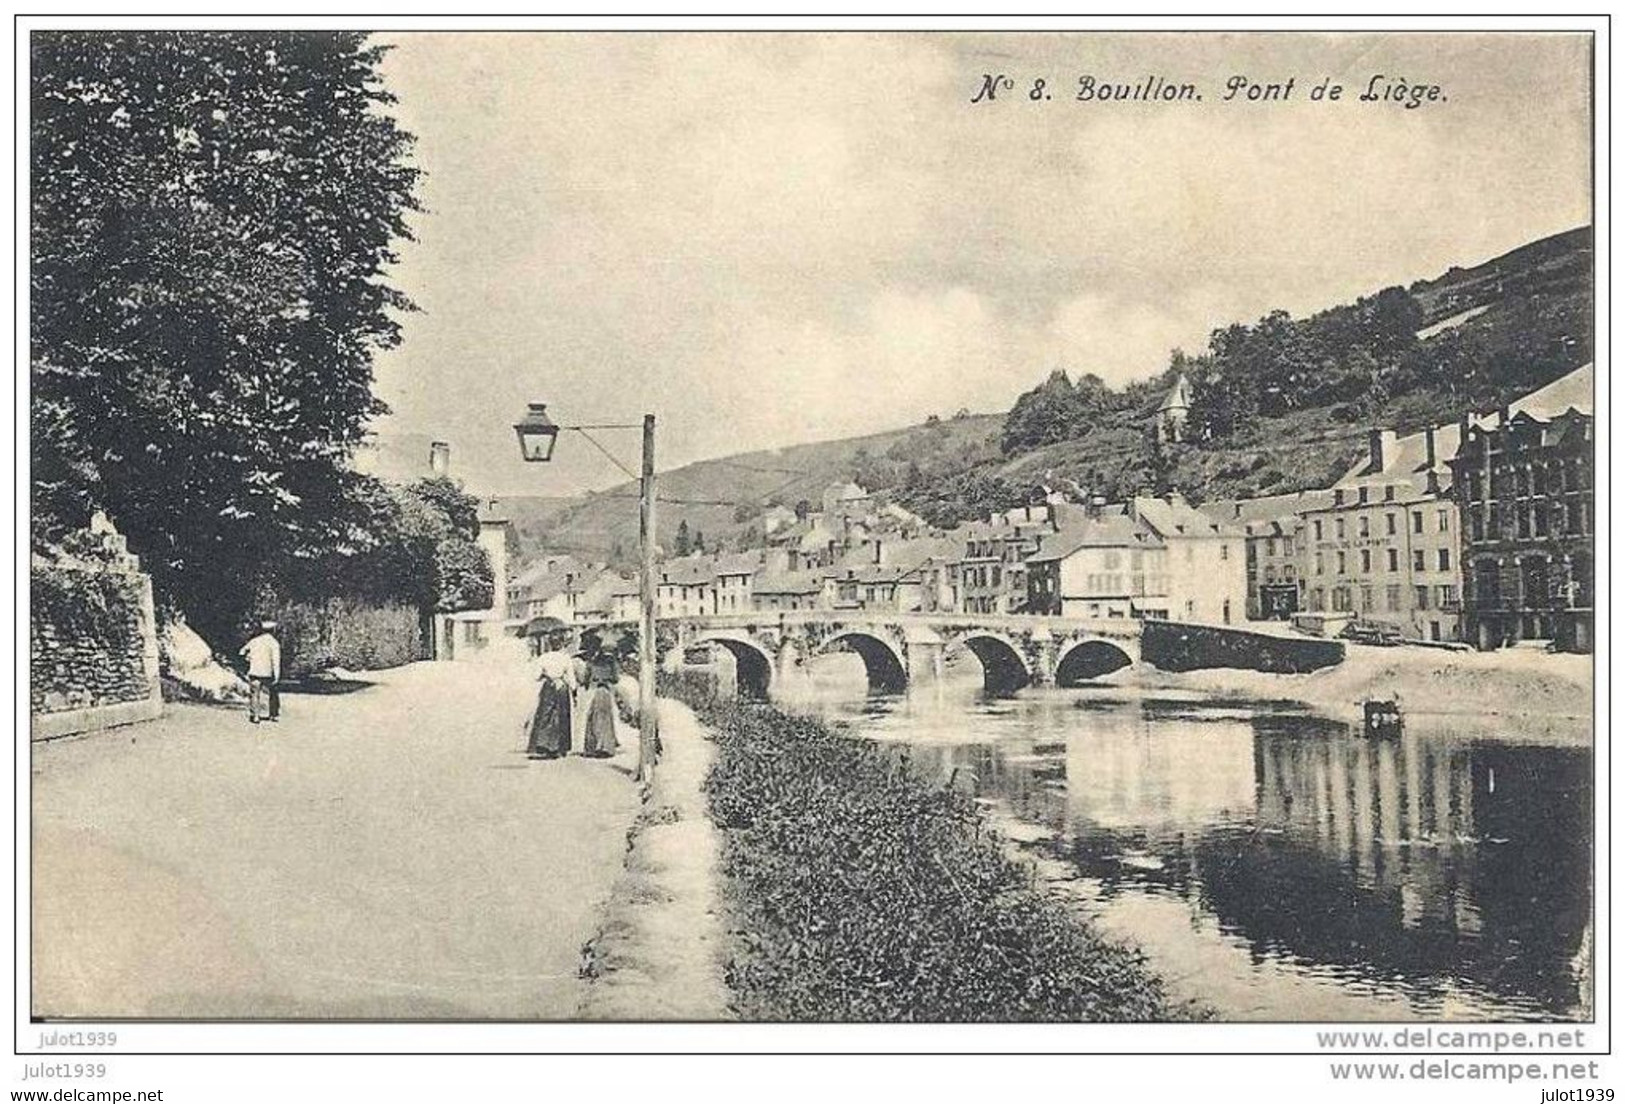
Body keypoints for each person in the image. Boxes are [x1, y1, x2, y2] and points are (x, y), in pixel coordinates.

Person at [525, 637, 575, 759]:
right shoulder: (565, 658)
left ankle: (543, 744)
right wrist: (573, 689)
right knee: (562, 715)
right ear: (561, 645)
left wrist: (545, 674)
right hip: (561, 687)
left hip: (549, 687)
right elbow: (571, 678)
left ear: (550, 645)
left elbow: (536, 676)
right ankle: (560, 747)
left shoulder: (543, 658)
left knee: (545, 715)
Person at [577, 633, 620, 759]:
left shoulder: (591, 662)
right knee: (605, 718)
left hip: (594, 691)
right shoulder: (610, 661)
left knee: (593, 718)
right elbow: (616, 678)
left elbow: (585, 679)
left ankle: (594, 747)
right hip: (605, 690)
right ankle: (605, 746)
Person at [239, 620, 282, 724]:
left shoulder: (254, 641)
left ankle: (255, 716)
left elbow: (241, 652)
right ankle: (273, 714)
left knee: (254, 694)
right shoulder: (274, 643)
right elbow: (276, 660)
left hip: (254, 671)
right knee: (273, 693)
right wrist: (277, 675)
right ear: (273, 630)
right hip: (268, 673)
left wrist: (248, 658)